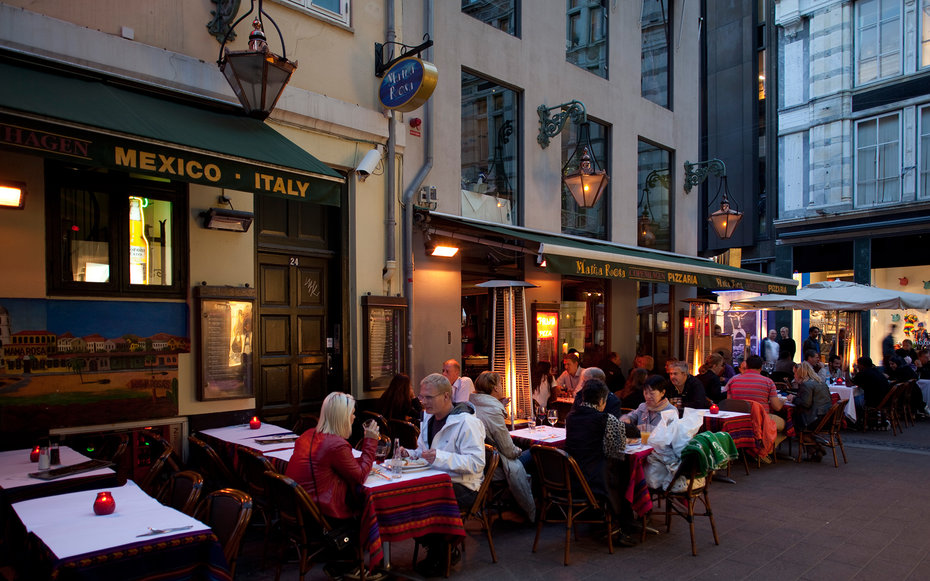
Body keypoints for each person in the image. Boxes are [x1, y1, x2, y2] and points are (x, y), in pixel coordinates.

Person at [402, 373, 485, 575]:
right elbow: (425, 453)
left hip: (465, 485)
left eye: (429, 397)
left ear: (447, 396)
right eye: (421, 397)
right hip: (436, 480)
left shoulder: (466, 423)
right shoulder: (429, 420)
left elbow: (476, 463)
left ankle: (442, 550)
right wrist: (410, 454)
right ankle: (437, 547)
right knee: (406, 498)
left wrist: (440, 457)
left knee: (427, 501)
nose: (422, 402)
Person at [286, 391, 379, 528]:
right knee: (370, 516)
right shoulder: (336, 445)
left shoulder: (308, 435)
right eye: (352, 413)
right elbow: (360, 476)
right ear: (343, 417)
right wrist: (370, 441)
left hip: (297, 510)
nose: (354, 417)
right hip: (321, 517)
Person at [564, 379, 635, 547]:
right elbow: (620, 446)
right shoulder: (604, 419)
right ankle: (625, 527)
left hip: (571, 478)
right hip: (593, 481)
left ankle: (608, 519)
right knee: (625, 470)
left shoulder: (571, 417)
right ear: (602, 400)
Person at [469, 371, 535, 521]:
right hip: (496, 465)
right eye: (500, 384)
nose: (502, 386)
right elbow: (508, 450)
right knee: (535, 454)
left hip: (483, 461)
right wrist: (519, 451)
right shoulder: (493, 412)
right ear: (495, 388)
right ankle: (529, 507)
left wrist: (500, 405)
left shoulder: (474, 405)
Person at [726, 355, 785, 431]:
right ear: (761, 368)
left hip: (737, 420)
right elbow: (777, 407)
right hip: (761, 420)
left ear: (746, 366)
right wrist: (782, 401)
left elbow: (729, 403)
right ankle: (768, 441)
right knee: (784, 425)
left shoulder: (733, 381)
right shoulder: (768, 382)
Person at [787, 362, 832, 461]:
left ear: (800, 373)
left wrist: (793, 399)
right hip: (826, 417)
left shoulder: (806, 385)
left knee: (793, 424)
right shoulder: (820, 382)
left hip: (814, 419)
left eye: (795, 373)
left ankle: (816, 447)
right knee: (798, 421)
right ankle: (813, 452)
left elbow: (805, 403)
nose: (794, 375)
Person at [852, 357, 890, 424]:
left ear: (862, 365)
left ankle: (855, 421)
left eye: (858, 364)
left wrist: (846, 372)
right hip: (884, 399)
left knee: (851, 400)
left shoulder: (864, 373)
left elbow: (849, 384)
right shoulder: (876, 371)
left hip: (873, 402)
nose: (857, 366)